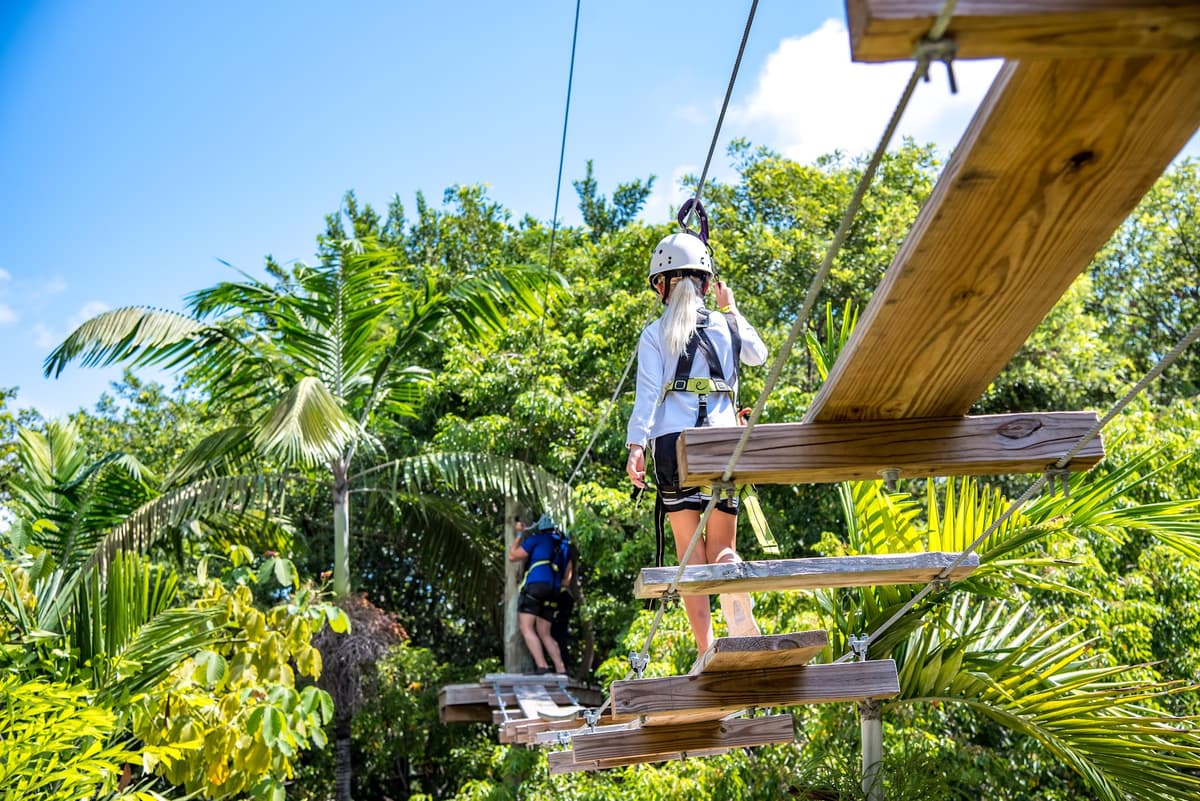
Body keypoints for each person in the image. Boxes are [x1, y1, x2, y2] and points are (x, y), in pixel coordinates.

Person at [625, 232, 768, 655]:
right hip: (724, 441)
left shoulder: (655, 332)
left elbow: (648, 394)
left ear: (660, 285)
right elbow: (758, 355)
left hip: (674, 444)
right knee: (723, 548)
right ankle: (737, 607)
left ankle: (706, 645)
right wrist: (732, 308)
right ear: (707, 283)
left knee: (690, 554)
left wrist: (637, 447)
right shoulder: (726, 324)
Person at [508, 513, 569, 674]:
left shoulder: (536, 539)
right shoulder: (564, 545)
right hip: (554, 591)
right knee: (545, 632)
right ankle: (560, 668)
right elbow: (567, 580)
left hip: (535, 587)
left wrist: (519, 534)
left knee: (526, 627)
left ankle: (542, 666)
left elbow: (512, 556)